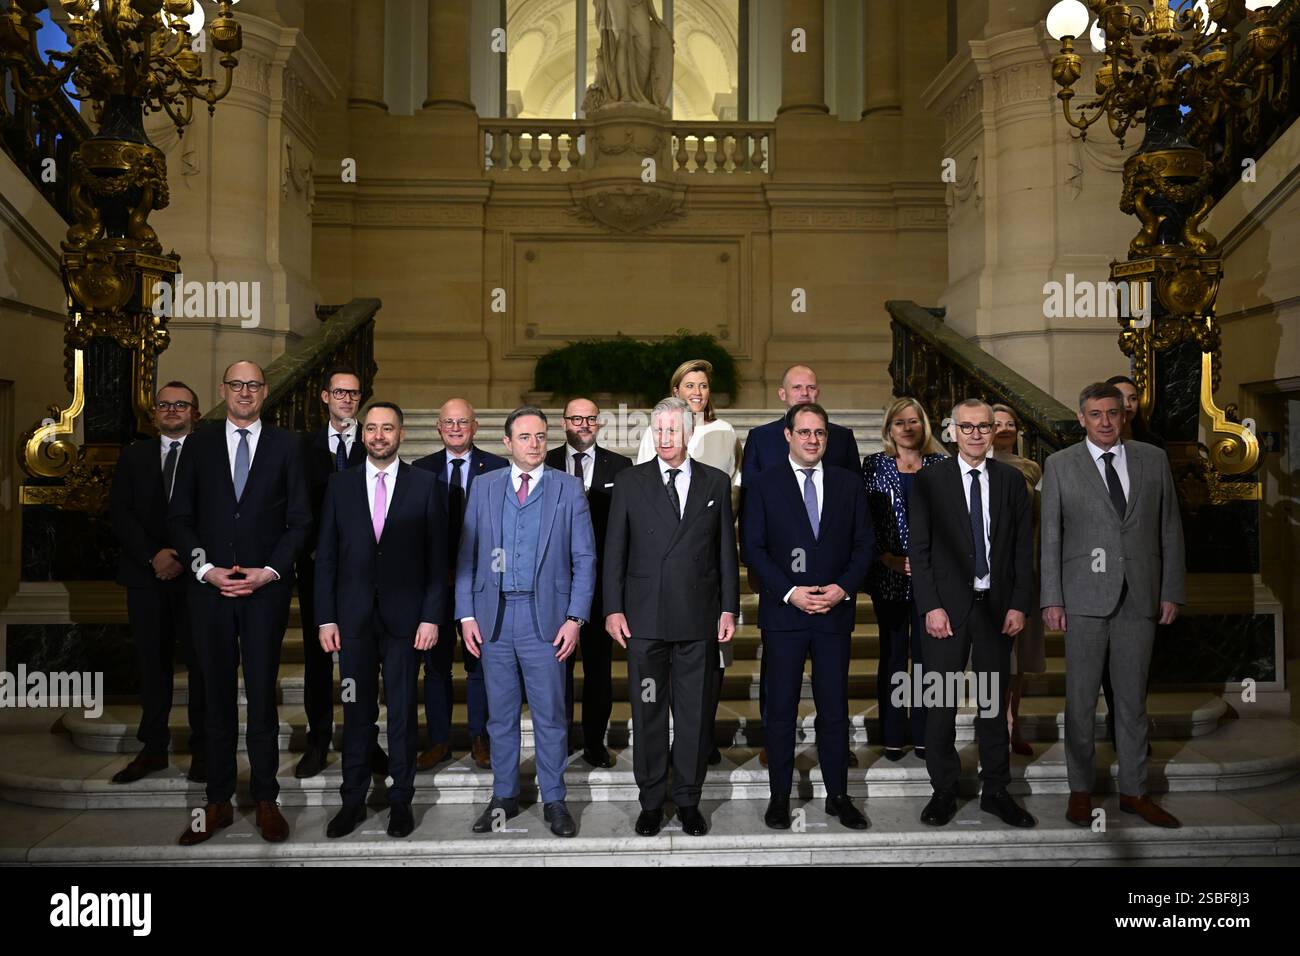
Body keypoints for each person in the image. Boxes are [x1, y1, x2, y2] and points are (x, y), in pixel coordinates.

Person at [169, 361, 312, 845]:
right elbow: (180, 517)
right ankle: (217, 801)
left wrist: (269, 571)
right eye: (237, 384)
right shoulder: (198, 443)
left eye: (253, 384)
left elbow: (300, 521)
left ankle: (266, 797)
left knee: (262, 697)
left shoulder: (288, 446)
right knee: (213, 697)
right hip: (208, 591)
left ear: (265, 391)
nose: (245, 391)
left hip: (264, 592)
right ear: (223, 389)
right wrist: (204, 569)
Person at [1042, 382, 1185, 830]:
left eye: (1113, 412)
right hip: (1084, 599)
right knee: (1080, 701)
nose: (1105, 421)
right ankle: (1080, 791)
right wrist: (1052, 598)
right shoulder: (1060, 465)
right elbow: (1050, 539)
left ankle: (1135, 792)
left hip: (1140, 597)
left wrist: (1171, 590)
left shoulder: (1152, 459)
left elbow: (1170, 530)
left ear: (1124, 415)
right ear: (1081, 418)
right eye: (1096, 414)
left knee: (1132, 704)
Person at [458, 407, 596, 838]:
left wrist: (575, 618)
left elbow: (584, 559)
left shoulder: (568, 489)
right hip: (493, 619)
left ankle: (554, 799)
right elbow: (467, 555)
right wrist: (465, 613)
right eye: (525, 437)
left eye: (540, 436)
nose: (534, 444)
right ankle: (503, 796)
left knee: (551, 716)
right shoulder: (483, 487)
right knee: (499, 717)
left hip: (547, 620)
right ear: (507, 443)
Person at [605, 397, 739, 837]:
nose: (665, 439)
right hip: (643, 625)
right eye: (658, 431)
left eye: (673, 431)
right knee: (647, 713)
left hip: (698, 621)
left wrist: (728, 608)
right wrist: (612, 608)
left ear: (688, 434)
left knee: (694, 716)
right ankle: (650, 800)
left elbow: (725, 553)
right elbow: (614, 553)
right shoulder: (629, 482)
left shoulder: (716, 483)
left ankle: (687, 799)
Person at [741, 402, 873, 831]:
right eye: (805, 432)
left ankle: (838, 795)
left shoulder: (849, 484)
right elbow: (754, 549)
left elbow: (864, 545)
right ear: (788, 435)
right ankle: (779, 796)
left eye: (820, 433)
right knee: (780, 710)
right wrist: (792, 592)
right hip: (785, 615)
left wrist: (841, 588)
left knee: (834, 710)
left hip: (834, 614)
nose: (813, 439)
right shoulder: (763, 484)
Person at [316, 402, 444, 839]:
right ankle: (351, 801)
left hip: (407, 623)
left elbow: (436, 561)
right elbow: (326, 559)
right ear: (362, 434)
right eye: (371, 428)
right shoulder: (340, 485)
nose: (378, 435)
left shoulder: (426, 486)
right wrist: (325, 619)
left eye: (387, 428)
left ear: (401, 435)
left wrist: (431, 616)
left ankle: (400, 801)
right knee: (356, 713)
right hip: (352, 621)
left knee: (404, 715)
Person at [908, 398, 1035, 829]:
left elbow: (1022, 551)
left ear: (994, 432)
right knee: (940, 704)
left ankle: (996, 791)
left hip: (996, 609)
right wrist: (931, 606)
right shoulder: (930, 480)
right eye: (967, 427)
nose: (976, 434)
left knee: (993, 706)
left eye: (984, 427)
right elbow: (919, 551)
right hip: (946, 609)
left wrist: (1019, 602)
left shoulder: (1011, 482)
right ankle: (943, 790)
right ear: (952, 431)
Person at [739, 364, 859, 768]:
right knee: (779, 679)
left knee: (832, 695)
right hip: (781, 587)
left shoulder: (840, 438)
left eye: (811, 386)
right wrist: (784, 587)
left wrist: (840, 584)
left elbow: (851, 513)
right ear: (782, 394)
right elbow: (754, 517)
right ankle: (776, 745)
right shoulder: (761, 439)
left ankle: (834, 753)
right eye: (797, 387)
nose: (805, 393)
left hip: (830, 591)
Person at [635, 359, 740, 764]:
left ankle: (700, 739)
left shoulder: (724, 432)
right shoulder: (656, 432)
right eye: (689, 385)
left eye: (703, 385)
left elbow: (732, 490)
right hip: (663, 568)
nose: (697, 392)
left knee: (711, 660)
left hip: (706, 558)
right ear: (676, 390)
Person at [109, 381, 207, 785]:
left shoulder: (211, 456)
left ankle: (204, 749)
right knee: (152, 665)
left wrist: (185, 557)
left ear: (195, 414)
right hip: (145, 576)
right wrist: (154, 556)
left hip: (196, 580)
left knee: (202, 666)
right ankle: (153, 749)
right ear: (154, 415)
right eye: (164, 405)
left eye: (180, 404)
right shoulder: (134, 457)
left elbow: (217, 513)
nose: (171, 410)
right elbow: (120, 513)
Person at [294, 367, 388, 780]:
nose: (347, 399)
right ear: (324, 397)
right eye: (340, 393)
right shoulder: (301, 447)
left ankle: (364, 742)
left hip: (366, 572)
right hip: (317, 567)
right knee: (318, 659)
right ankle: (318, 741)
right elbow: (294, 507)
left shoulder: (373, 445)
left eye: (354, 393)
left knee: (364, 658)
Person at [412, 399, 508, 771]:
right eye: (449, 422)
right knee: (435, 666)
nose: (455, 427)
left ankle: (480, 737)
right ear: (438, 427)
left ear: (475, 425)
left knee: (480, 663)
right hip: (436, 585)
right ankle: (438, 741)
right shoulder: (420, 470)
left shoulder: (498, 468)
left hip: (481, 585)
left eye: (462, 422)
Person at [545, 397, 632, 768]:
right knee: (556, 668)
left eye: (590, 419)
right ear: (564, 422)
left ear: (600, 423)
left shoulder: (622, 466)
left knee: (598, 669)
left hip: (599, 586)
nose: (583, 424)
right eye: (575, 418)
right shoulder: (544, 461)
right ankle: (560, 739)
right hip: (553, 585)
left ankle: (594, 741)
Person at [861, 398, 947, 762]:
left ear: (923, 426)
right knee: (894, 655)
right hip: (890, 574)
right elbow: (866, 517)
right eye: (900, 422)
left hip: (934, 578)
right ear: (889, 428)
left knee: (929, 658)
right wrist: (888, 558)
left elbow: (952, 522)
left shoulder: (942, 465)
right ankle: (893, 734)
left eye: (914, 421)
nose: (907, 428)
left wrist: (928, 562)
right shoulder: (875, 464)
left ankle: (927, 734)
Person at [990, 403, 1044, 757]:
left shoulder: (1032, 469)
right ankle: (993, 724)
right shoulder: (976, 464)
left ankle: (1013, 721)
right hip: (988, 574)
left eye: (1011, 423)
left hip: (1023, 570)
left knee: (1019, 657)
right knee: (994, 657)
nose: (1006, 428)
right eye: (998, 423)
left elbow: (1040, 521)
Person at [1105, 374, 1165, 448]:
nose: (1127, 404)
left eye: (1133, 398)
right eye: (1120, 398)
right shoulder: (1092, 440)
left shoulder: (1153, 443)